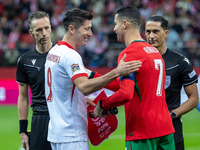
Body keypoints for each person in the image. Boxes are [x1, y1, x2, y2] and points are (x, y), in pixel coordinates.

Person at [44, 8, 142, 150]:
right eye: (87, 29)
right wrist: (117, 72)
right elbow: (84, 87)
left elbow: (61, 87)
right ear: (72, 29)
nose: (90, 34)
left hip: (56, 131)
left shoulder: (53, 52)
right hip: (72, 134)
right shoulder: (71, 55)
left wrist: (81, 100)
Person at [94, 5, 175, 150]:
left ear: (125, 24)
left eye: (115, 24)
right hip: (165, 129)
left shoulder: (130, 53)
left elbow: (125, 94)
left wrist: (102, 104)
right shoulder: (154, 51)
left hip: (142, 131)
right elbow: (128, 84)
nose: (114, 29)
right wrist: (94, 77)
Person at [145, 15, 199, 150]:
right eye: (148, 31)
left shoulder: (179, 62)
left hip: (171, 127)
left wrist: (172, 115)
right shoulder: (139, 61)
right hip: (144, 127)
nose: (151, 35)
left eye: (156, 31)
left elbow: (194, 98)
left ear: (166, 33)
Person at [17, 11, 53, 150]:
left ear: (51, 27)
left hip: (63, 117)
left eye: (46, 28)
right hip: (39, 120)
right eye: (39, 30)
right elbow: (23, 97)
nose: (44, 33)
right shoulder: (24, 61)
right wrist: (22, 131)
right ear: (31, 33)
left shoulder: (64, 55)